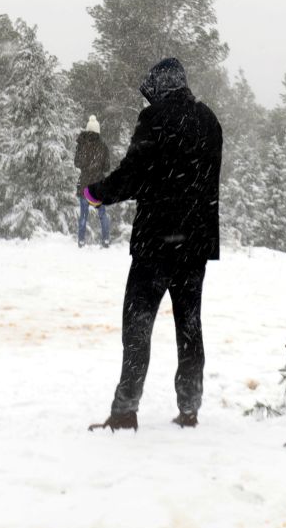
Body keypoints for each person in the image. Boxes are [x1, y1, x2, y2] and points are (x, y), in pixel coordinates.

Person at [85, 58, 222, 432]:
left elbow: (134, 174)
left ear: (159, 87)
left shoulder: (155, 119)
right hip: (195, 245)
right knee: (190, 326)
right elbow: (205, 184)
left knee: (137, 325)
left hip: (156, 244)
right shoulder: (209, 121)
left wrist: (97, 193)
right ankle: (190, 408)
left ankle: (126, 409)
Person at [74, 115, 112, 248]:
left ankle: (81, 241)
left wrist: (87, 165)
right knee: (102, 215)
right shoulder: (103, 146)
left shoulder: (82, 144)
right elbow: (107, 167)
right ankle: (106, 240)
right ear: (98, 130)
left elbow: (77, 163)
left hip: (85, 185)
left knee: (83, 215)